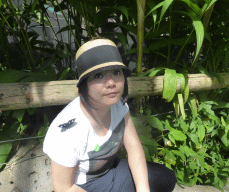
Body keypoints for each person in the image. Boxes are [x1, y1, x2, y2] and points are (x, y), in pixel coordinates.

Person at [43, 38, 177, 192]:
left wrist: (143, 189)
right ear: (84, 85)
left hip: (111, 172)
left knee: (165, 177)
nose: (111, 82)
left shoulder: (117, 104)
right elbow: (63, 188)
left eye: (116, 72)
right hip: (82, 186)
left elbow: (134, 147)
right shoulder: (67, 132)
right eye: (98, 76)